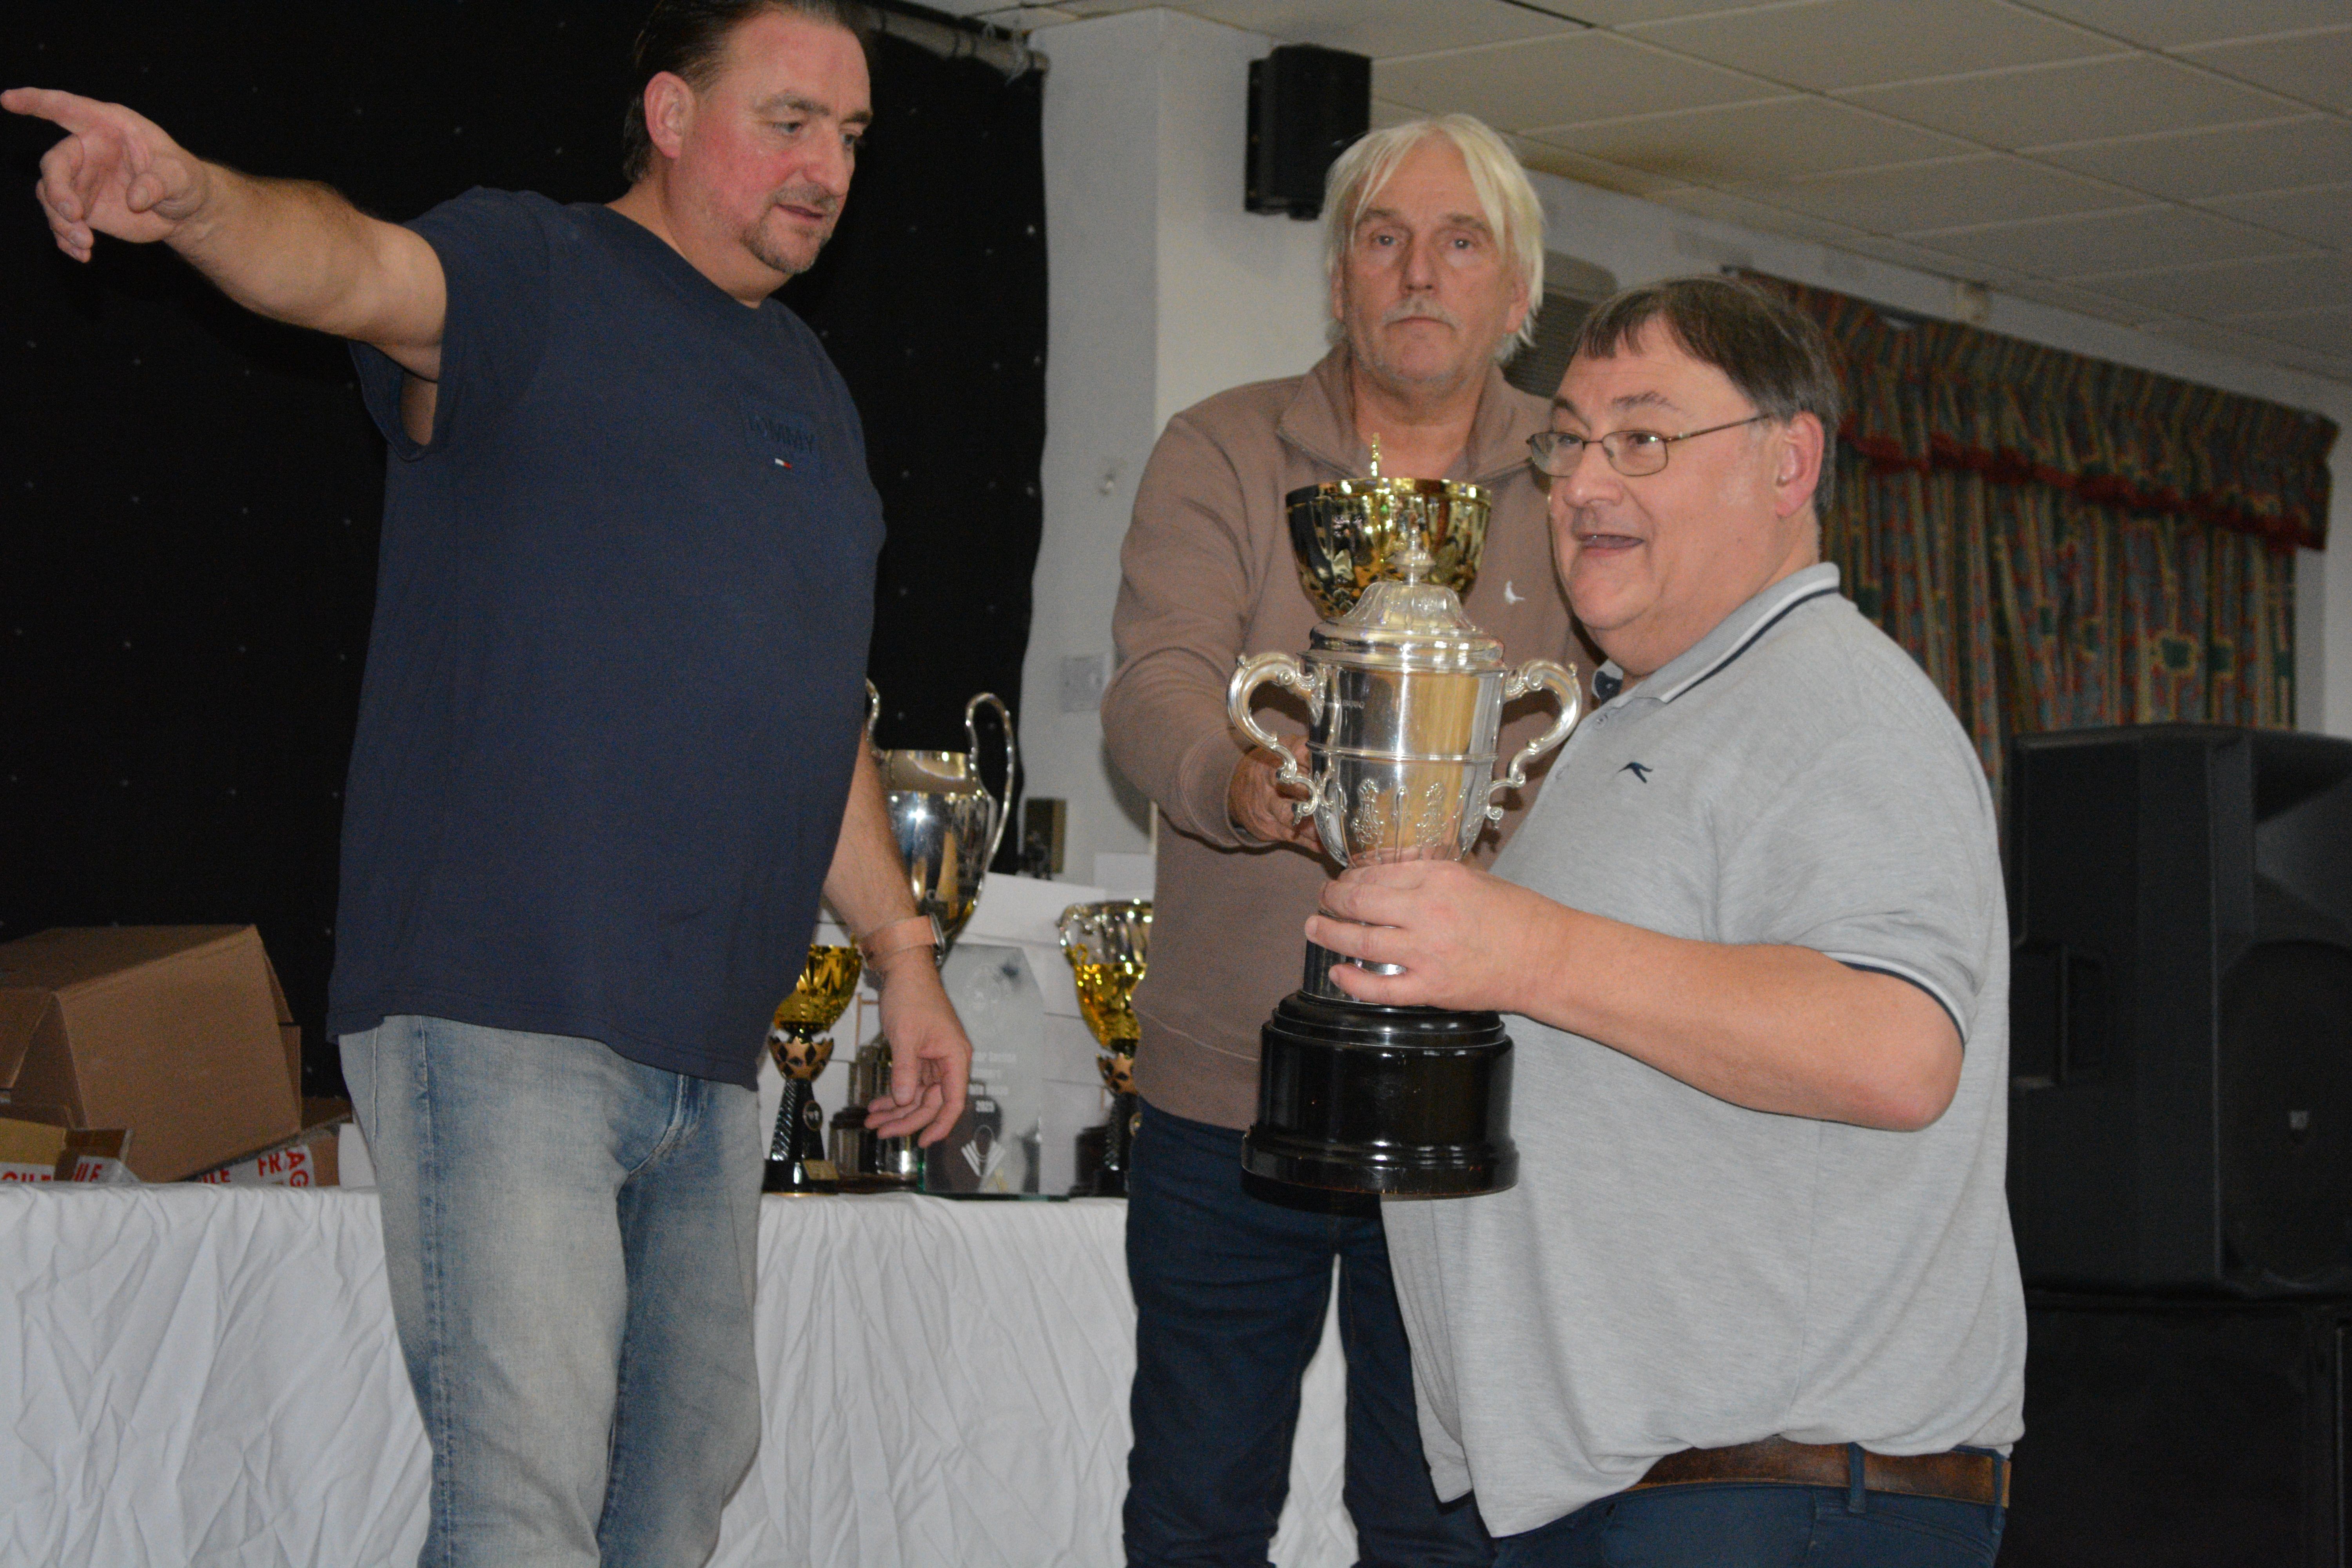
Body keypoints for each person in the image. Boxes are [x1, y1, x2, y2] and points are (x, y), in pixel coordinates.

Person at [7, 3, 973, 1564]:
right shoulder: (543, 268)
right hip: (505, 1012)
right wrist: (194, 202)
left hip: (709, 1049)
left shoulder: (812, 381)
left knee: (671, 1501)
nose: (828, 168)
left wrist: (905, 955)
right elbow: (349, 267)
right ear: (670, 115)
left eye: (851, 137)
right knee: (522, 1507)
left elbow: (812, 701)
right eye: (789, 121)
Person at [1307, 276, 2026, 1566]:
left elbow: (1895, 1049)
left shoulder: (1839, 707)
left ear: (1788, 463)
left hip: (1773, 1496)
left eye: (1642, 438)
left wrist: (1525, 950)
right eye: (1568, 442)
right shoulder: (1642, 715)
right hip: (1636, 1495)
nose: (1584, 484)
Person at [1100, 115, 1584, 1567]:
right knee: (1196, 1514)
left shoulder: (1581, 479)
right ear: (1337, 280)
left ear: (1519, 290)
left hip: (1471, 1101)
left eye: (1461, 243)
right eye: (1384, 238)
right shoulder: (1223, 448)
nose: (1419, 272)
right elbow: (1156, 686)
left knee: (1438, 1524)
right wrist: (1240, 781)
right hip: (1228, 1099)